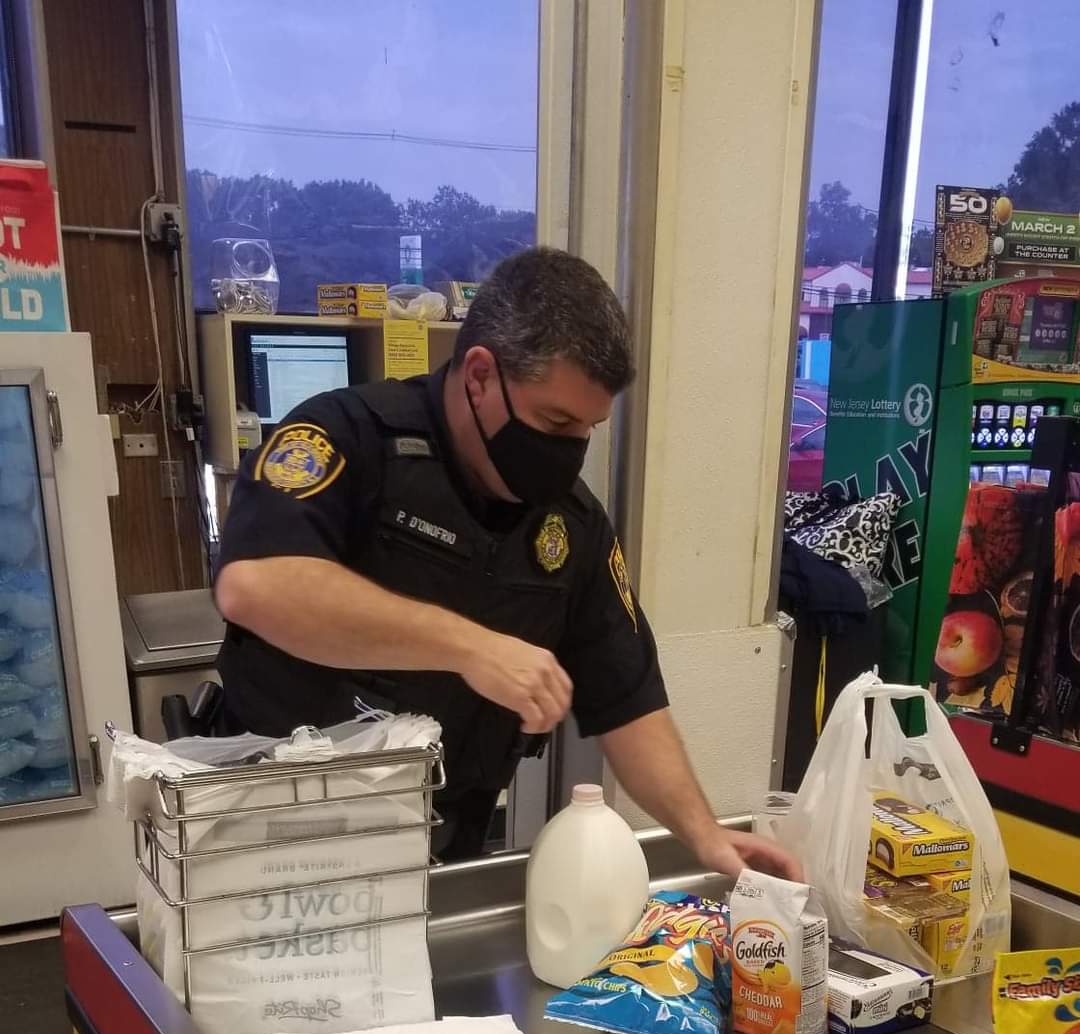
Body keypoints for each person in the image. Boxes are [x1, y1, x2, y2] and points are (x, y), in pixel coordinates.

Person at [215, 246, 796, 875]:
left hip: (438, 855)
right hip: (271, 848)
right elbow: (258, 584)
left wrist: (705, 836)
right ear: (480, 375)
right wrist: (471, 647)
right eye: (554, 420)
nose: (569, 450)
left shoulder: (572, 526)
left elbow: (628, 700)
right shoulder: (352, 438)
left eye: (588, 430)